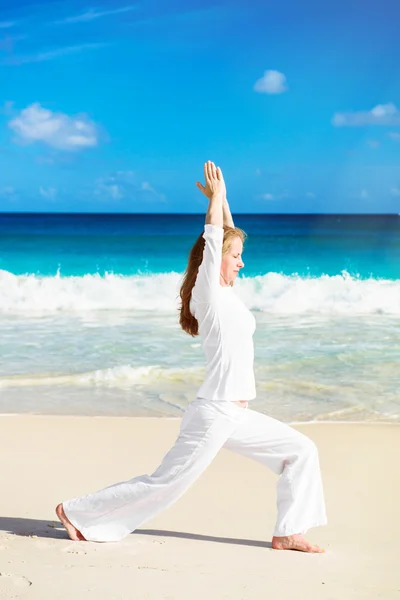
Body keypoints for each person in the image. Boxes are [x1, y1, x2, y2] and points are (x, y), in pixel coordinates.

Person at [56, 161, 327, 552]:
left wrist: (224, 200)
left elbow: (223, 237)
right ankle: (76, 512)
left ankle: (288, 532)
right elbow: (214, 241)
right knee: (166, 482)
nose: (242, 262)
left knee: (300, 450)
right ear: (216, 261)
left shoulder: (227, 295)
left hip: (235, 414)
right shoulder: (209, 296)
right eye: (236, 257)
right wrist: (215, 204)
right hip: (214, 413)